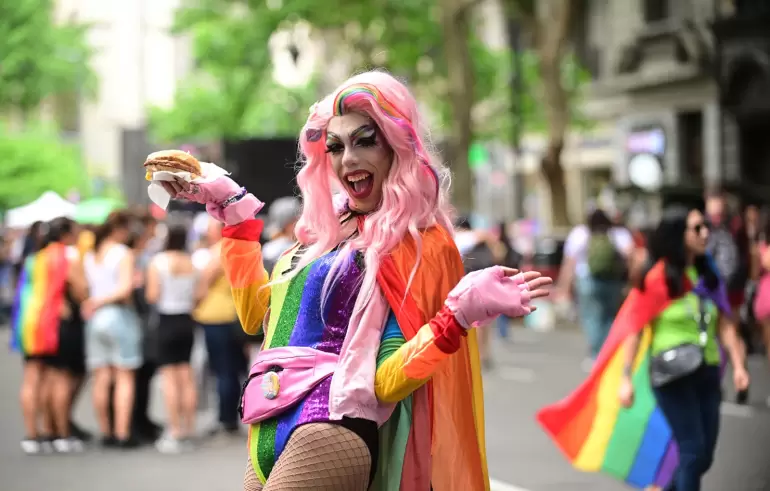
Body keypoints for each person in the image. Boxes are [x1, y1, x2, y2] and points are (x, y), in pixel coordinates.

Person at [159, 70, 552, 491]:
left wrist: (455, 317)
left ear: (396, 147)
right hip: (268, 419)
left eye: (365, 141)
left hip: (330, 423)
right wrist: (233, 212)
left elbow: (383, 382)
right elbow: (257, 318)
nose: (347, 159)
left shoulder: (419, 242)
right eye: (335, 146)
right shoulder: (320, 232)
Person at [538, 206, 749, 491]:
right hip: (671, 375)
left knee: (703, 458)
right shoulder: (658, 278)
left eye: (706, 228)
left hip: (707, 372)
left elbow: (725, 325)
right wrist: (625, 377)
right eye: (697, 229)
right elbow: (635, 330)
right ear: (678, 234)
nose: (705, 234)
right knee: (692, 451)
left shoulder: (708, 275)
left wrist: (738, 366)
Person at [13, 218, 87, 454]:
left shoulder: (34, 258)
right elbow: (82, 290)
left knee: (32, 380)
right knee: (59, 379)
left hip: (30, 325)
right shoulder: (68, 256)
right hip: (56, 325)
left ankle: (33, 435)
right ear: (66, 234)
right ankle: (61, 433)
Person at [83, 211, 142, 448]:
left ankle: (105, 431)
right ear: (119, 229)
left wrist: (94, 302)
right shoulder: (122, 253)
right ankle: (122, 432)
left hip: (95, 318)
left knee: (101, 376)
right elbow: (125, 288)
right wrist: (102, 300)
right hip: (118, 315)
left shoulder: (92, 254)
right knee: (124, 376)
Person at [145, 224, 198, 452]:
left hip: (166, 320)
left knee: (170, 379)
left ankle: (174, 430)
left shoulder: (158, 262)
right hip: (186, 320)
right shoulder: (191, 262)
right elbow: (199, 294)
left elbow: (152, 295)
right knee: (186, 376)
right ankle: (189, 428)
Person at [193, 216, 246, 435]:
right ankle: (231, 416)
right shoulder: (238, 248)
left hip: (216, 316)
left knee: (223, 370)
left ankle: (226, 418)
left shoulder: (221, 250)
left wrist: (195, 301)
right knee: (232, 369)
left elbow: (204, 281)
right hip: (232, 313)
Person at [558, 209, 633, 361]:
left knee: (592, 318)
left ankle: (597, 354)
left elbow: (569, 263)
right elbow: (630, 256)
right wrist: (631, 282)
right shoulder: (618, 234)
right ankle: (609, 353)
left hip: (587, 281)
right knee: (610, 317)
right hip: (613, 281)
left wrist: (564, 287)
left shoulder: (580, 233)